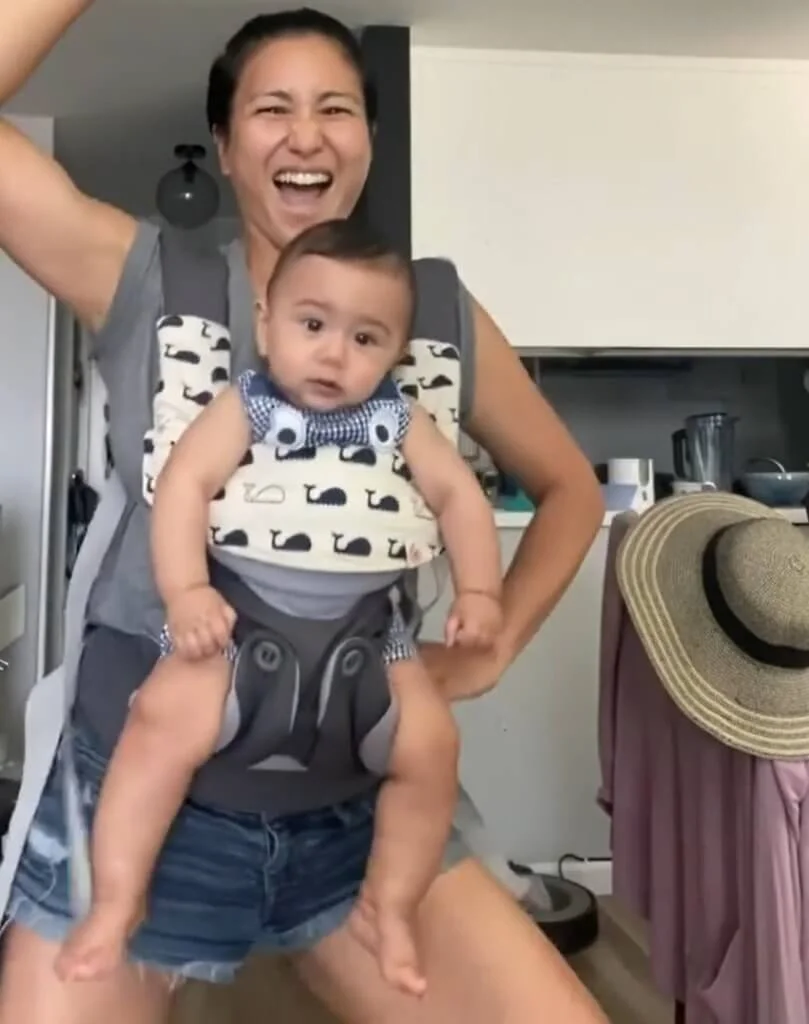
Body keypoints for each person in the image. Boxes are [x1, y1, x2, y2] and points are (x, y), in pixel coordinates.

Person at [0, 4, 608, 1023]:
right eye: (270, 109)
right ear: (225, 145)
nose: (305, 135)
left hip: (358, 816)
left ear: (367, 137)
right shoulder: (147, 276)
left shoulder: (430, 315)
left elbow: (569, 491)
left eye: (335, 108)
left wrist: (492, 646)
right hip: (139, 801)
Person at [56, 218, 503, 996]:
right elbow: (185, 484)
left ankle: (389, 903)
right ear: (266, 325)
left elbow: (458, 496)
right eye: (312, 325)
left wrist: (480, 592)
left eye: (365, 338)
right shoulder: (251, 403)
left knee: (431, 749)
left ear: (395, 353)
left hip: (372, 636)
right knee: (158, 725)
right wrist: (187, 592)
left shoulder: (400, 420)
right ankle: (118, 898)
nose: (333, 354)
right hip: (239, 621)